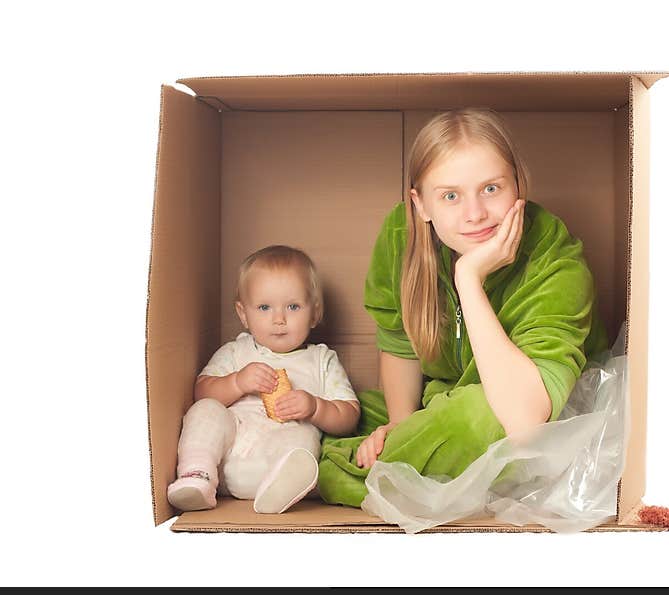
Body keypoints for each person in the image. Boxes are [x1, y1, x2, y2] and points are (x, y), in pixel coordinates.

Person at [319, 108, 607, 508]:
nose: (475, 214)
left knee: (477, 417)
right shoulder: (402, 236)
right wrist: (400, 425)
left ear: (518, 184)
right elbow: (399, 342)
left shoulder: (554, 256)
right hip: (442, 397)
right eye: (450, 196)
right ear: (420, 204)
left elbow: (524, 421)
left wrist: (468, 278)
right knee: (341, 408)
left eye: (491, 189)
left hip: (533, 408)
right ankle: (370, 455)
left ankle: (335, 473)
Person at [167, 245, 360, 513]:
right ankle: (195, 475)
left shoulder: (322, 360)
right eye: (264, 307)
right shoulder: (236, 352)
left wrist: (316, 407)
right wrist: (237, 383)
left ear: (315, 312)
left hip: (271, 464)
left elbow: (350, 415)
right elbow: (202, 392)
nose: (279, 319)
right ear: (243, 313)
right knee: (205, 410)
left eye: (293, 306)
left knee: (302, 441)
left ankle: (278, 492)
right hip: (221, 458)